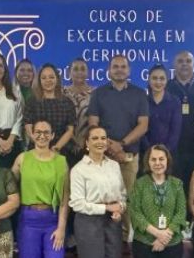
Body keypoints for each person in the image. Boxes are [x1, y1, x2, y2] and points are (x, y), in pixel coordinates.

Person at [12, 120, 73, 258]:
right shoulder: (22, 159)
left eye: (46, 132)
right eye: (38, 132)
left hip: (52, 221)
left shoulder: (61, 162)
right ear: (31, 134)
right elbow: (7, 185)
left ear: (53, 135)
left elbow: (65, 198)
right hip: (28, 220)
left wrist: (61, 227)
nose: (41, 136)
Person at [70, 126, 128, 258]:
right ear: (86, 143)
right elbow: (77, 203)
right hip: (89, 223)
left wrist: (119, 208)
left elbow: (122, 194)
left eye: (103, 138)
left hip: (112, 222)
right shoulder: (79, 170)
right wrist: (106, 208)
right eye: (95, 138)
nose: (100, 142)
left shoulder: (114, 165)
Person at [88, 54, 149, 219]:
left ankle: (126, 235)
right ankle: (105, 235)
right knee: (103, 199)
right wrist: (109, 147)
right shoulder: (98, 93)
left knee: (127, 201)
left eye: (123, 67)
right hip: (103, 156)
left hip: (129, 157)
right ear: (109, 70)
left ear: (129, 70)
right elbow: (93, 124)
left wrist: (121, 145)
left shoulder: (139, 93)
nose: (119, 70)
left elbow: (143, 125)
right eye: (115, 66)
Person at [166, 50, 194, 191]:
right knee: (174, 187)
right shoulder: (166, 87)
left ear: (193, 64)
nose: (184, 64)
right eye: (180, 61)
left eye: (188, 61)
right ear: (174, 65)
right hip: (172, 147)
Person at [24, 63, 77, 158]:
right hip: (37, 150)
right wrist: (42, 146)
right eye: (44, 78)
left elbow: (70, 130)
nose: (48, 80)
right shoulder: (31, 102)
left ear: (57, 79)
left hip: (61, 150)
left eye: (51, 77)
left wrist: (56, 148)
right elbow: (28, 128)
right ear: (39, 81)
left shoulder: (67, 102)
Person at [143, 64, 181, 155]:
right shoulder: (143, 101)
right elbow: (140, 130)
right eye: (154, 78)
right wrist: (150, 151)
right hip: (146, 153)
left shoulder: (174, 101)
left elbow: (175, 131)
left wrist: (165, 152)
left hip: (169, 154)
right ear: (149, 80)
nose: (158, 82)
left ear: (167, 80)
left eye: (162, 78)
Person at [62, 57, 94, 163]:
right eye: (75, 69)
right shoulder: (61, 93)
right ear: (69, 73)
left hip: (89, 146)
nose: (79, 72)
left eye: (83, 69)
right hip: (64, 145)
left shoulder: (96, 93)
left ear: (88, 73)